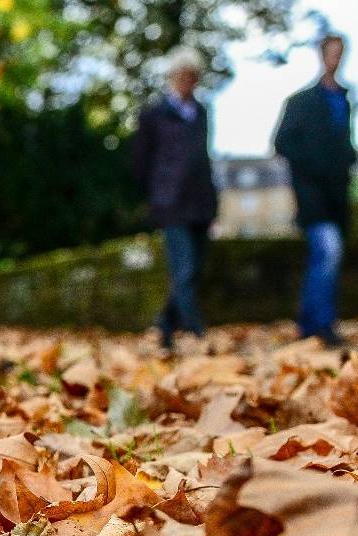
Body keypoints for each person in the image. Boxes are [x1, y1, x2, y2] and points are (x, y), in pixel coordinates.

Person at [131, 47, 219, 351]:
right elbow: (142, 161)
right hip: (170, 202)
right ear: (173, 76)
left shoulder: (202, 112)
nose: (187, 82)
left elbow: (204, 159)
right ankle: (196, 332)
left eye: (192, 77)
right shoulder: (154, 114)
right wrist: (154, 196)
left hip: (200, 202)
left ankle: (164, 328)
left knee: (193, 269)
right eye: (182, 76)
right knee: (183, 268)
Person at [274, 34, 357, 347]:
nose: (335, 58)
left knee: (325, 257)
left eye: (340, 53)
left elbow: (343, 144)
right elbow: (282, 143)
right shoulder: (301, 101)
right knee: (328, 251)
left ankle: (310, 323)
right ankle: (320, 324)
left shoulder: (344, 100)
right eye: (331, 53)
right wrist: (315, 165)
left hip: (337, 195)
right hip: (312, 195)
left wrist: (348, 157)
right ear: (322, 56)